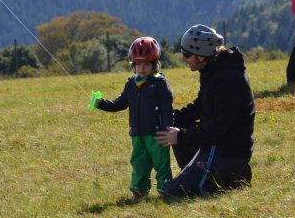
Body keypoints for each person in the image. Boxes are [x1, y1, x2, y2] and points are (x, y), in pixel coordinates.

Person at [154, 24, 255, 198]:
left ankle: (229, 175)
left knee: (172, 194)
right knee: (178, 132)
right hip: (217, 145)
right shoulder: (211, 69)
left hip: (227, 151)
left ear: (200, 56)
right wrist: (170, 119)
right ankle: (224, 176)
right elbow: (201, 106)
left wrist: (181, 135)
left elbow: (217, 126)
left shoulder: (227, 79)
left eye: (187, 54)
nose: (184, 59)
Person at [94, 36, 173, 203]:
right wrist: (102, 104)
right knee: (139, 164)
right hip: (137, 134)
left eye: (146, 64)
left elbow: (167, 107)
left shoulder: (159, 83)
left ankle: (166, 190)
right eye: (138, 64)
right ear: (133, 66)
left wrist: (168, 129)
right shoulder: (131, 84)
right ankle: (138, 192)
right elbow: (120, 103)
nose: (142, 68)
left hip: (158, 134)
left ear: (154, 65)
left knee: (161, 164)